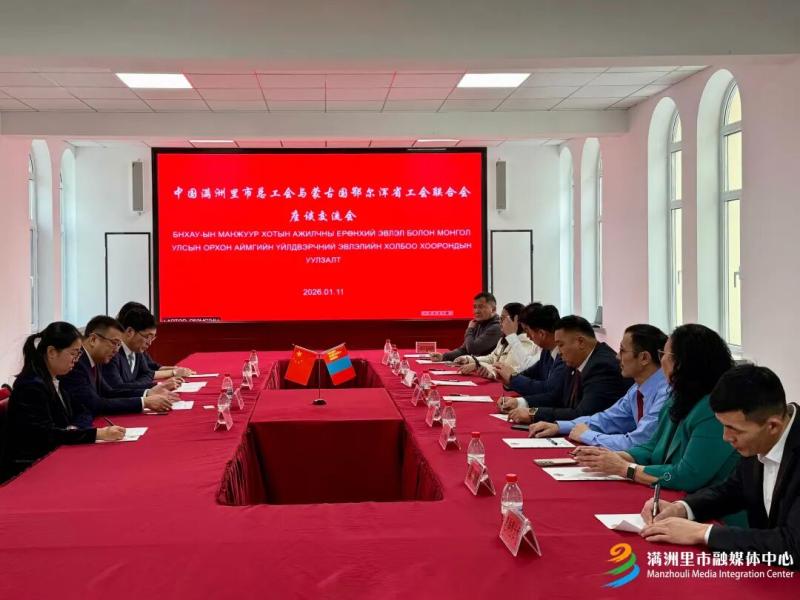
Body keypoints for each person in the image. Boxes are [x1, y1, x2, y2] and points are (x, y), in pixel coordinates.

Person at [639, 364, 798, 568]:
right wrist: (682, 508)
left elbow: (793, 546)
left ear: (773, 426)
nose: (725, 437)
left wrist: (702, 532)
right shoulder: (759, 438)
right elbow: (732, 490)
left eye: (734, 429)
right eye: (723, 425)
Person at [575, 324, 740, 492]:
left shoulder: (714, 411)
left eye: (664, 354)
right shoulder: (676, 398)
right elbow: (652, 447)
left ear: (683, 363)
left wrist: (626, 469)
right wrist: (613, 457)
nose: (661, 361)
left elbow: (687, 476)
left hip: (710, 503)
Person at [1, 322, 125, 480]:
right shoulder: (31, 386)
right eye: (73, 353)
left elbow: (83, 410)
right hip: (30, 468)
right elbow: (45, 435)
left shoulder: (55, 379)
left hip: (52, 456)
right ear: (52, 352)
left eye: (78, 354)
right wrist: (97, 433)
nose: (76, 360)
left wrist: (75, 428)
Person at [528, 324, 669, 451]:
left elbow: (639, 442)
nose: (617, 357)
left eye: (622, 351)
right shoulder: (637, 389)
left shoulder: (666, 393)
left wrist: (587, 435)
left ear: (644, 358)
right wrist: (560, 426)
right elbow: (608, 418)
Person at [506, 315, 631, 424]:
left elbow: (583, 414)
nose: (559, 352)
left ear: (580, 342)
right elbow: (556, 396)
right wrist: (520, 402)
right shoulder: (575, 361)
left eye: (561, 345)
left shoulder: (602, 366)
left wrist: (533, 414)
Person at [60, 316, 175, 428]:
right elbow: (94, 404)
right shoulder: (76, 363)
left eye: (119, 345)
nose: (116, 350)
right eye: (114, 343)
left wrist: (148, 393)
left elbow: (109, 392)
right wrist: (144, 402)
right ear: (93, 340)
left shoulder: (95, 360)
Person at [495, 304, 566, 413]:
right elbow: (530, 374)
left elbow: (548, 390)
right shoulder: (547, 351)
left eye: (527, 330)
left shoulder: (565, 356)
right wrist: (508, 380)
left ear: (541, 334)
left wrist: (513, 378)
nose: (527, 336)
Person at [102, 307, 181, 394]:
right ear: (130, 332)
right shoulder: (112, 352)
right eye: (147, 337)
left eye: (152, 338)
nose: (149, 343)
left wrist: (132, 385)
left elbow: (148, 374)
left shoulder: (137, 350)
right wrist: (155, 386)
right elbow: (117, 388)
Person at [453, 302, 539, 379]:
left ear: (516, 321)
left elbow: (508, 368)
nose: (500, 322)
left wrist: (478, 365)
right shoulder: (504, 339)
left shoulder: (524, 340)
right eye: (500, 318)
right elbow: (492, 358)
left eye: (503, 319)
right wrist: (468, 359)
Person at [116, 301, 194, 379]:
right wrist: (173, 372)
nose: (149, 343)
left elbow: (153, 367)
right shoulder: (116, 350)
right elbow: (146, 374)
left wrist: (176, 370)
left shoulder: (137, 348)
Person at [430, 292, 502, 362]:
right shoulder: (478, 323)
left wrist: (469, 329)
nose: (476, 311)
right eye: (474, 307)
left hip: (486, 368)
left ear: (493, 309)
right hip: (474, 365)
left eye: (481, 307)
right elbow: (464, 350)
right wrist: (443, 357)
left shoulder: (496, 327)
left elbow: (473, 349)